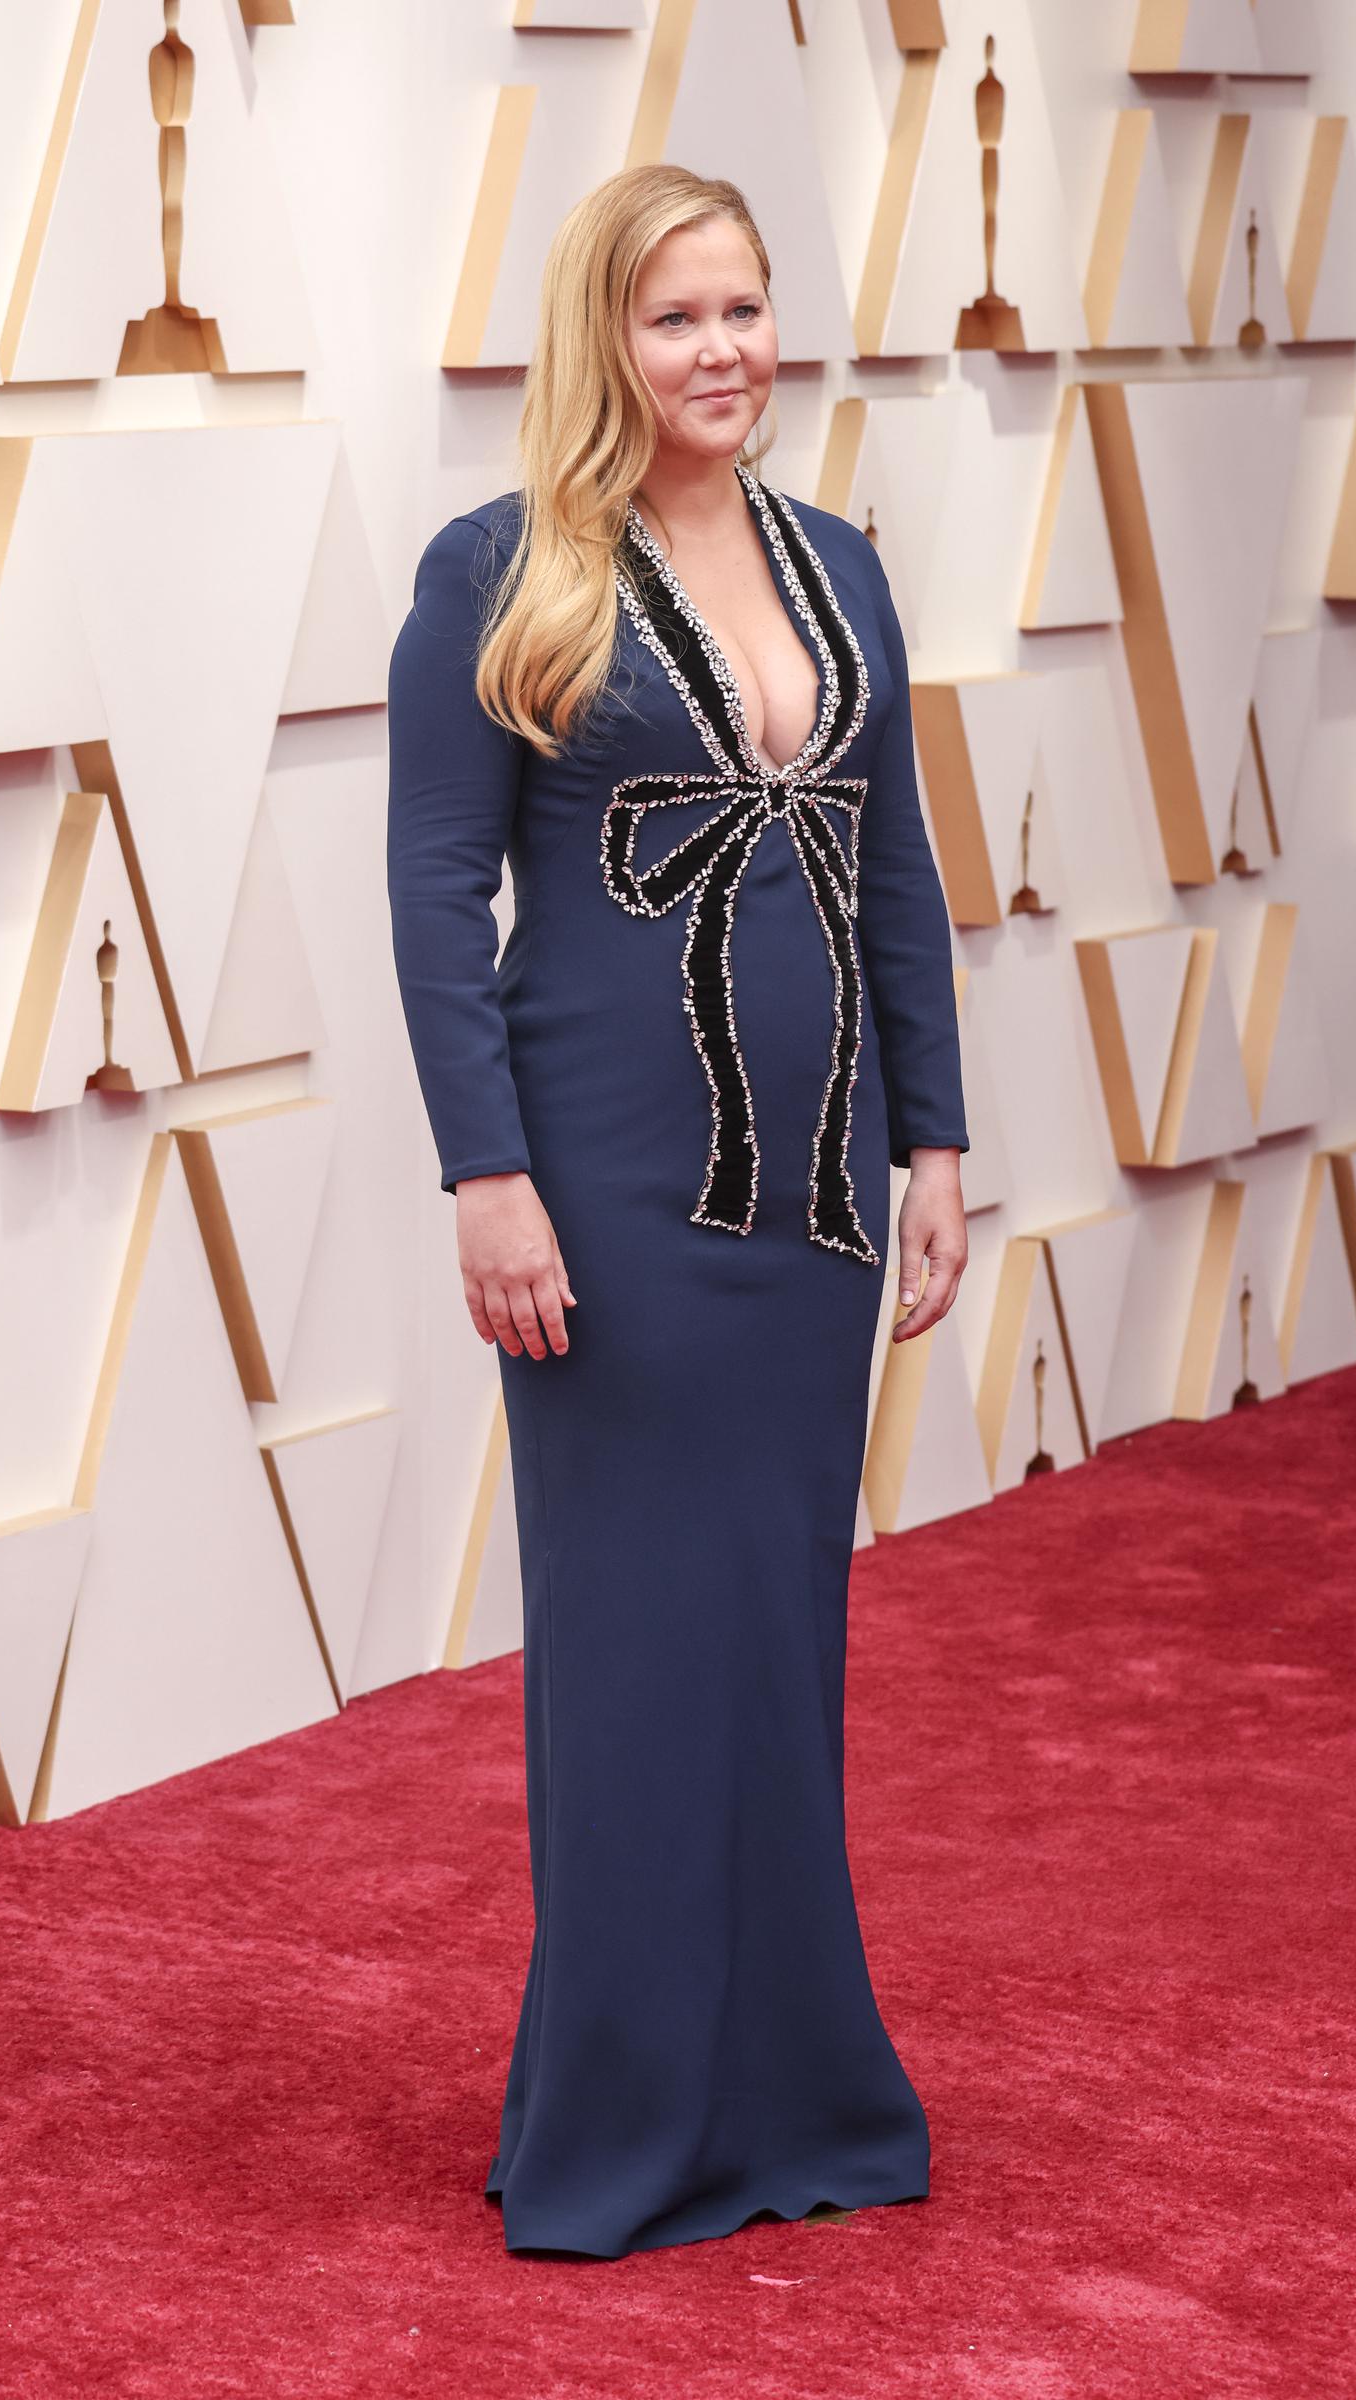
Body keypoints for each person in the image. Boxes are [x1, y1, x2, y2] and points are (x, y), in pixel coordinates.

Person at [386, 162, 970, 2260]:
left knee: (774, 1650)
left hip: (817, 1205)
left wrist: (938, 1142)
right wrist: (486, 1180)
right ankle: (620, 2123)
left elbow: (891, 869)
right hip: (609, 1198)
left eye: (744, 307)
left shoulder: (841, 569)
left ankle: (794, 2092)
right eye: (676, 319)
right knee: (635, 1660)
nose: (723, 350)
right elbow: (434, 898)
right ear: (600, 342)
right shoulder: (499, 571)